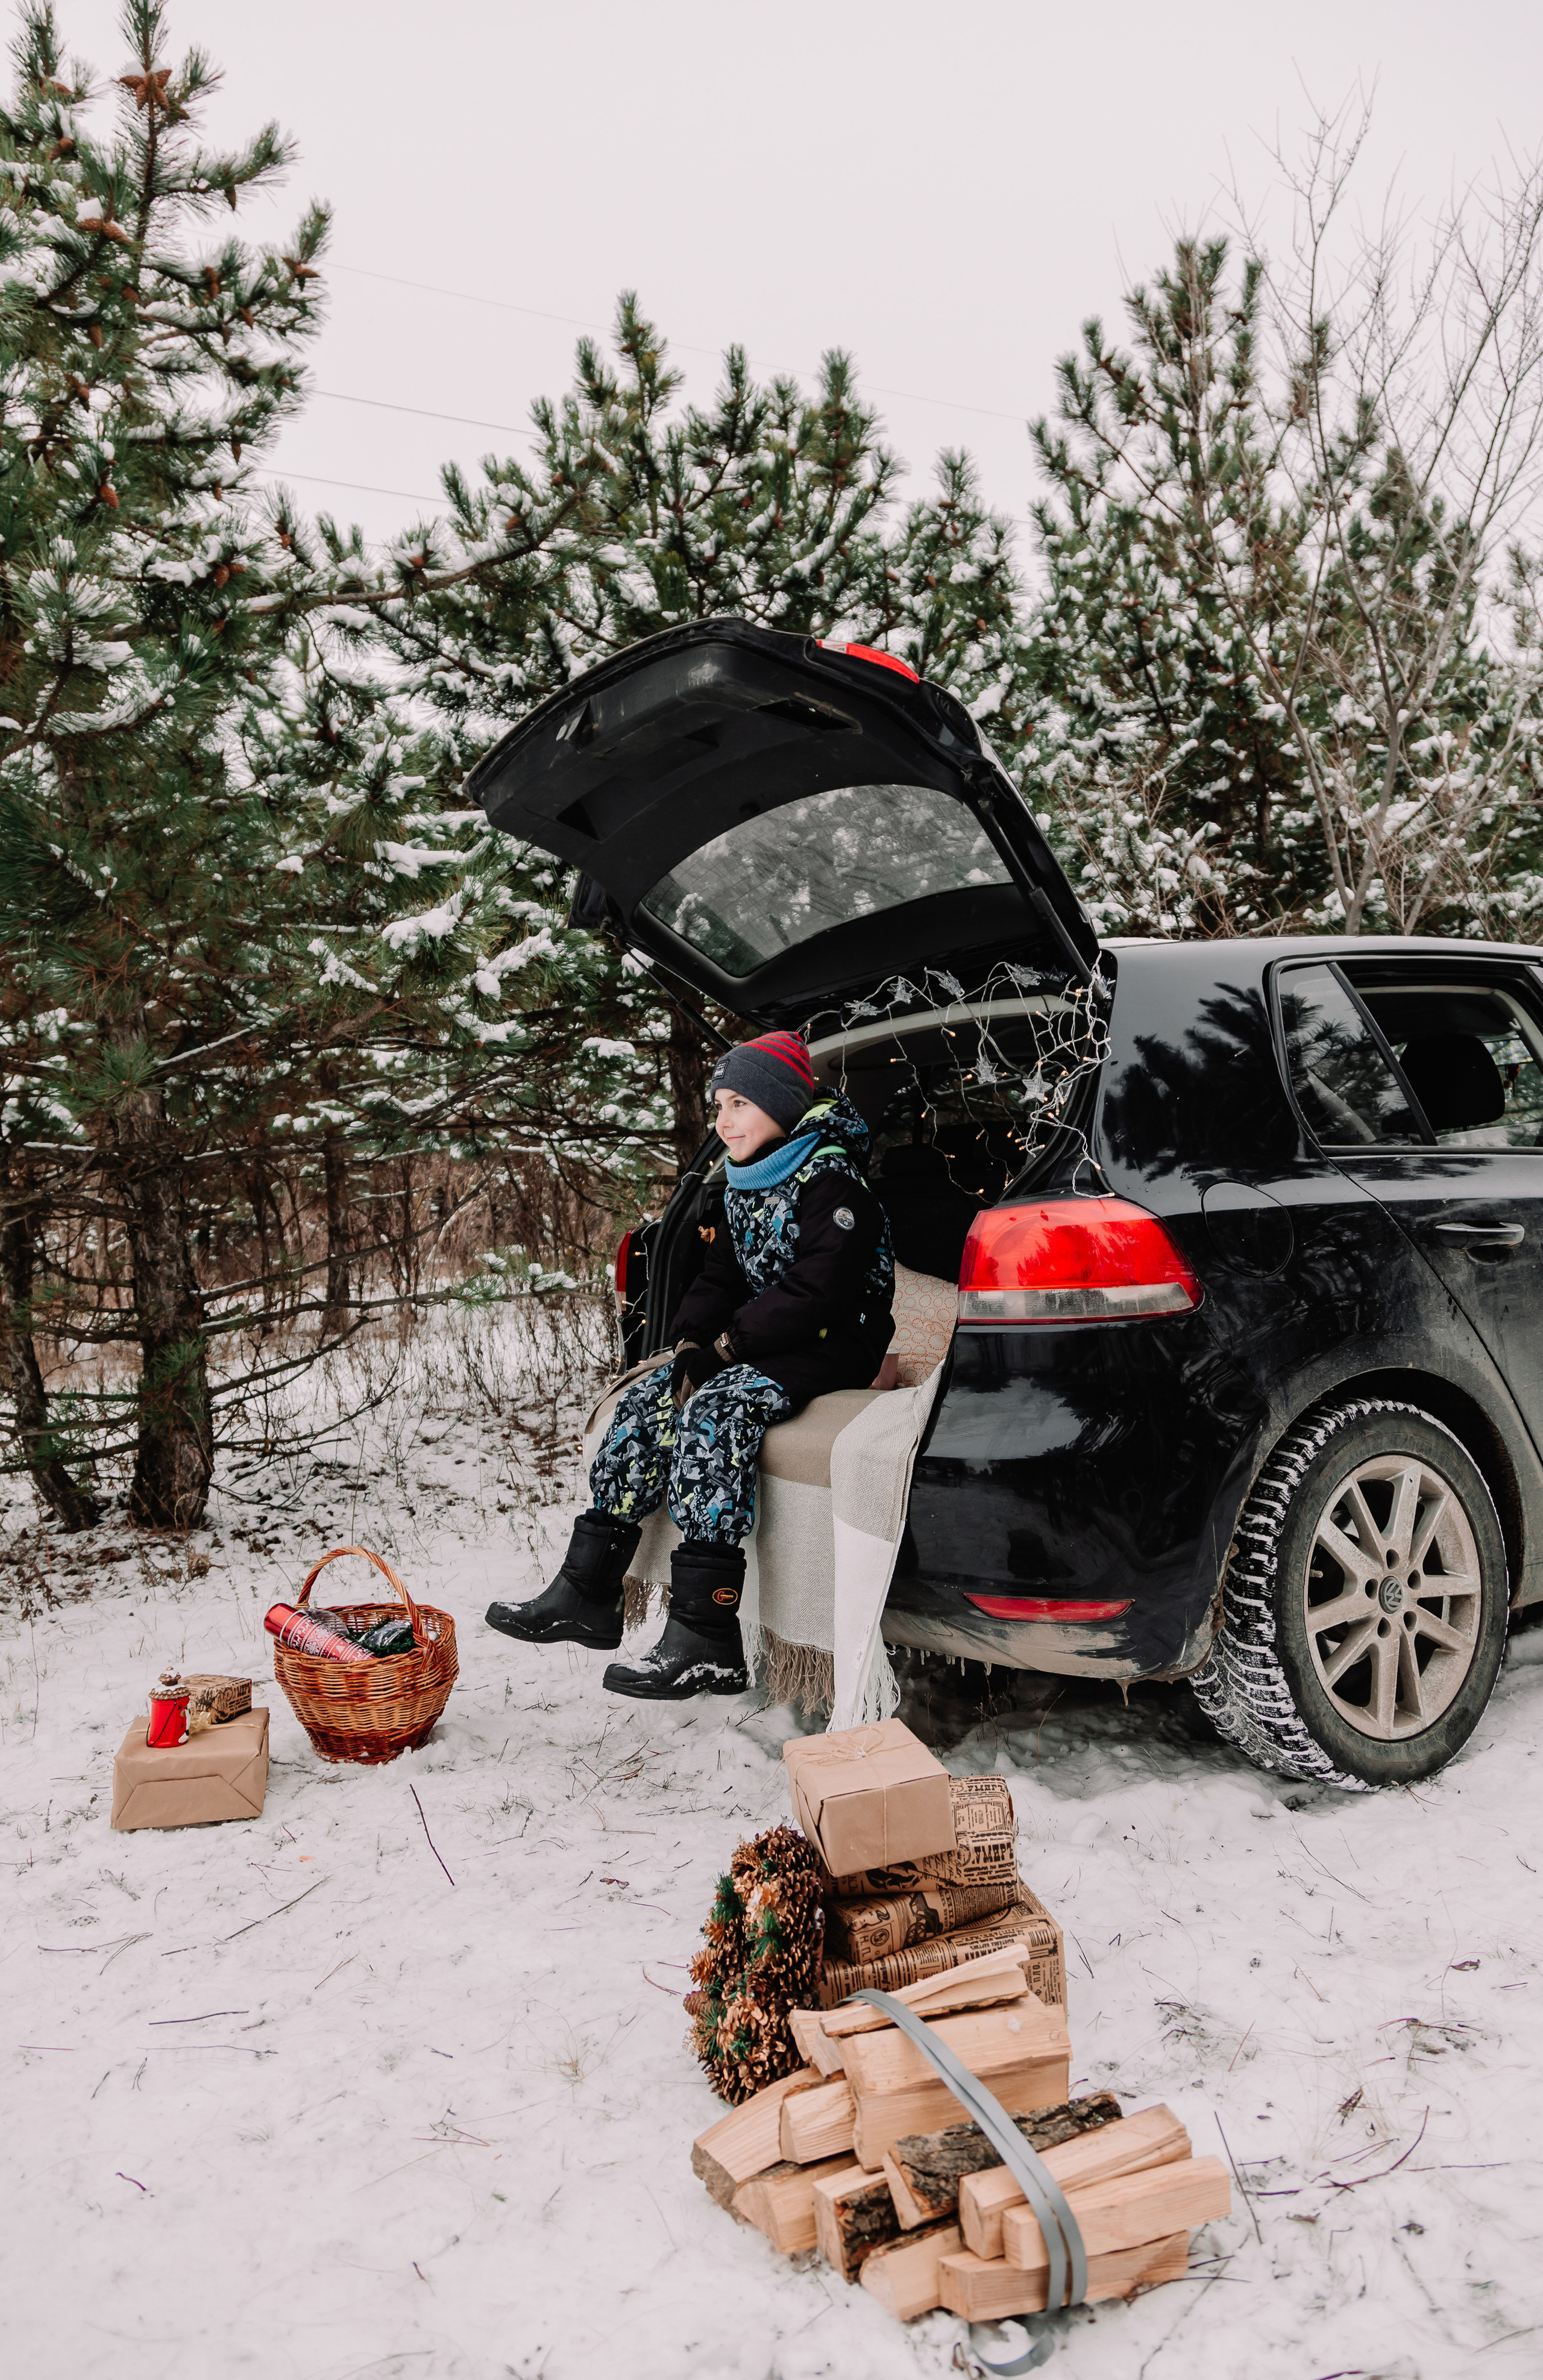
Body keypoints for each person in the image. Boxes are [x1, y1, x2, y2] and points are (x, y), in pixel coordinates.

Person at [485, 1031, 894, 1699]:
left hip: (833, 1339)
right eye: (718, 1106)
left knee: (716, 1409)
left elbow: (823, 1287)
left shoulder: (830, 1177)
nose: (723, 1121)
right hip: (773, 1336)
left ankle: (705, 1634)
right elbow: (720, 1276)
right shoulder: (747, 1180)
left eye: (739, 1103)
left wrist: (729, 1351)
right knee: (650, 1400)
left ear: (783, 1105)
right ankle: (587, 1592)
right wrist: (687, 1345)